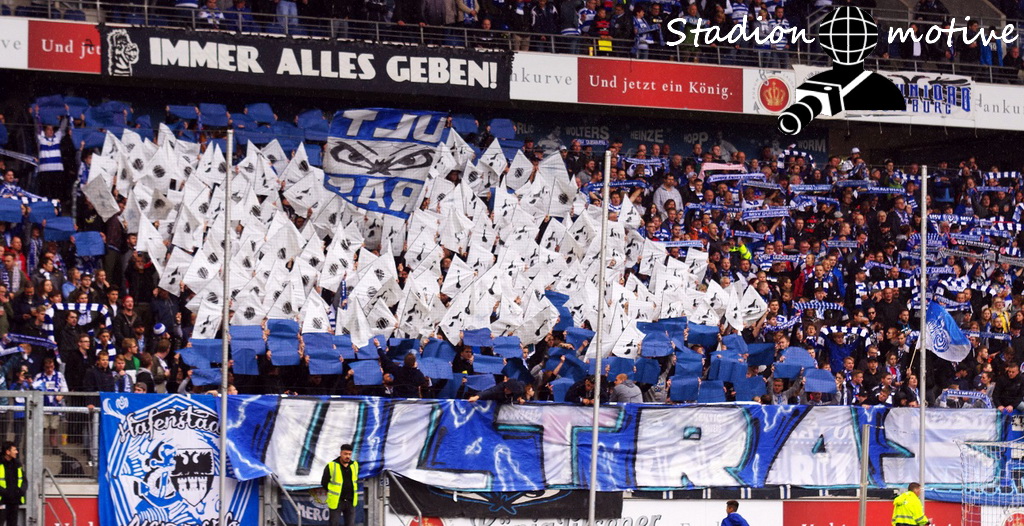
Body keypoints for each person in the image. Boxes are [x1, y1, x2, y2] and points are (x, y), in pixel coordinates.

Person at [320, 444, 359, 526]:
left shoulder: (354, 465)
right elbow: (324, 482)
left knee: (350, 524)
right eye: (345, 454)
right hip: (337, 501)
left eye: (349, 454)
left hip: (350, 501)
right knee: (334, 523)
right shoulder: (332, 465)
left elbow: (355, 480)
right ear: (341, 453)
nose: (348, 456)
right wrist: (332, 491)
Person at [0, 442, 23, 526]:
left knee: (13, 523)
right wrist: (5, 492)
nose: (17, 452)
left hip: (14, 501)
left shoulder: (17, 464)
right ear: (7, 452)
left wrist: (21, 491)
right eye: (14, 450)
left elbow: (23, 479)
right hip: (2, 500)